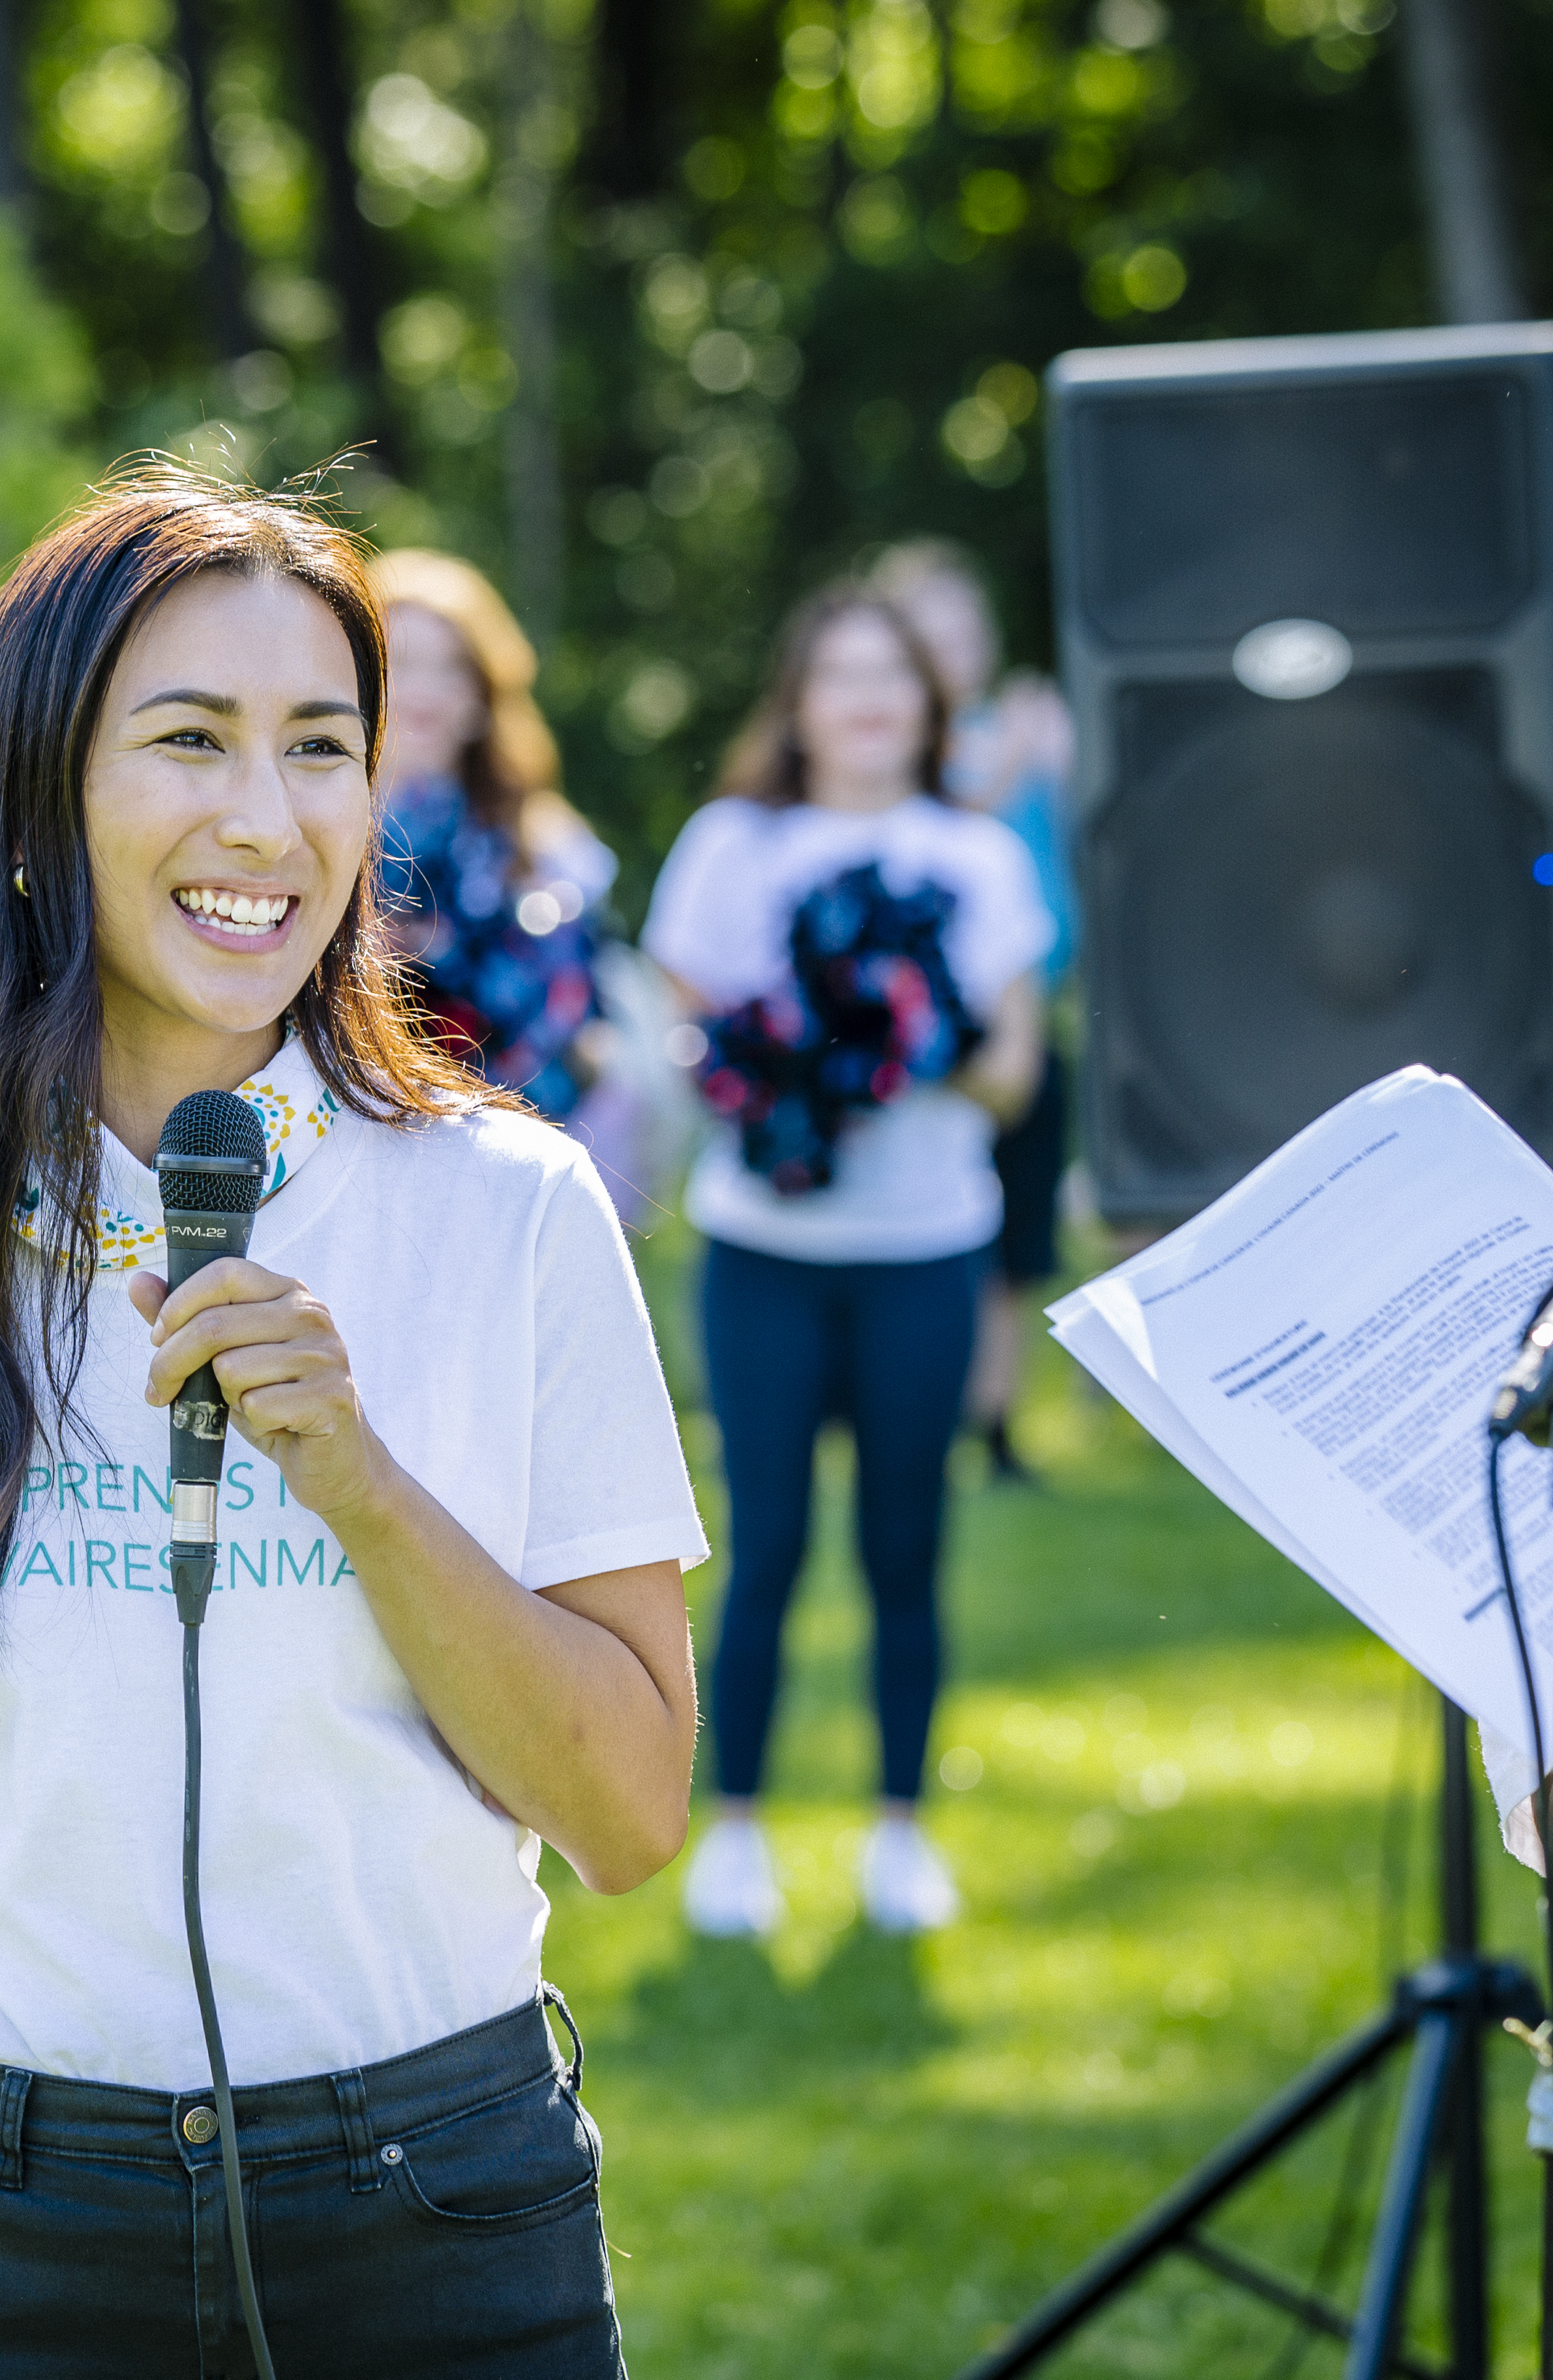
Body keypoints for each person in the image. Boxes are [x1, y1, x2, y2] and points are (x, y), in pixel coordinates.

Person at [0, 468, 708, 2377]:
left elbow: (629, 1813)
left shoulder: (516, 1212)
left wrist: (360, 1483)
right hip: (6, 2225)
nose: (267, 816)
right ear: (44, 799)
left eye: (321, 746)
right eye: (190, 740)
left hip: (444, 2209)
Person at [644, 582, 1051, 1941]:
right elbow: (694, 1044)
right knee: (762, 1546)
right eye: (841, 673)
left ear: (928, 704)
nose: (869, 699)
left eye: (895, 674)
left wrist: (906, 1046)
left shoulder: (979, 858)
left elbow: (1011, 1074)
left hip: (925, 1250)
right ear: (800, 699)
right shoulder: (731, 844)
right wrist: (792, 1063)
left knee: (903, 1544)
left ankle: (899, 1833)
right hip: (766, 1250)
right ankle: (737, 1835)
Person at [873, 538, 1076, 1485]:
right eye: (933, 634)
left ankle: (995, 1424)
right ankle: (925, 1412)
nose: (955, 651)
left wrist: (1060, 766)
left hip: (1031, 1014)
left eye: (967, 632)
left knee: (1019, 1239)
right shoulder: (901, 749)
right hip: (926, 1033)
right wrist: (1016, 767)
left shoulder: (1017, 734)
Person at [367, 549, 640, 1215]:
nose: (423, 688)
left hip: (504, 1165)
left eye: (449, 665)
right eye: (401, 662)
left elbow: (582, 1040)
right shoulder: (300, 831)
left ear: (483, 693)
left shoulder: (546, 849)